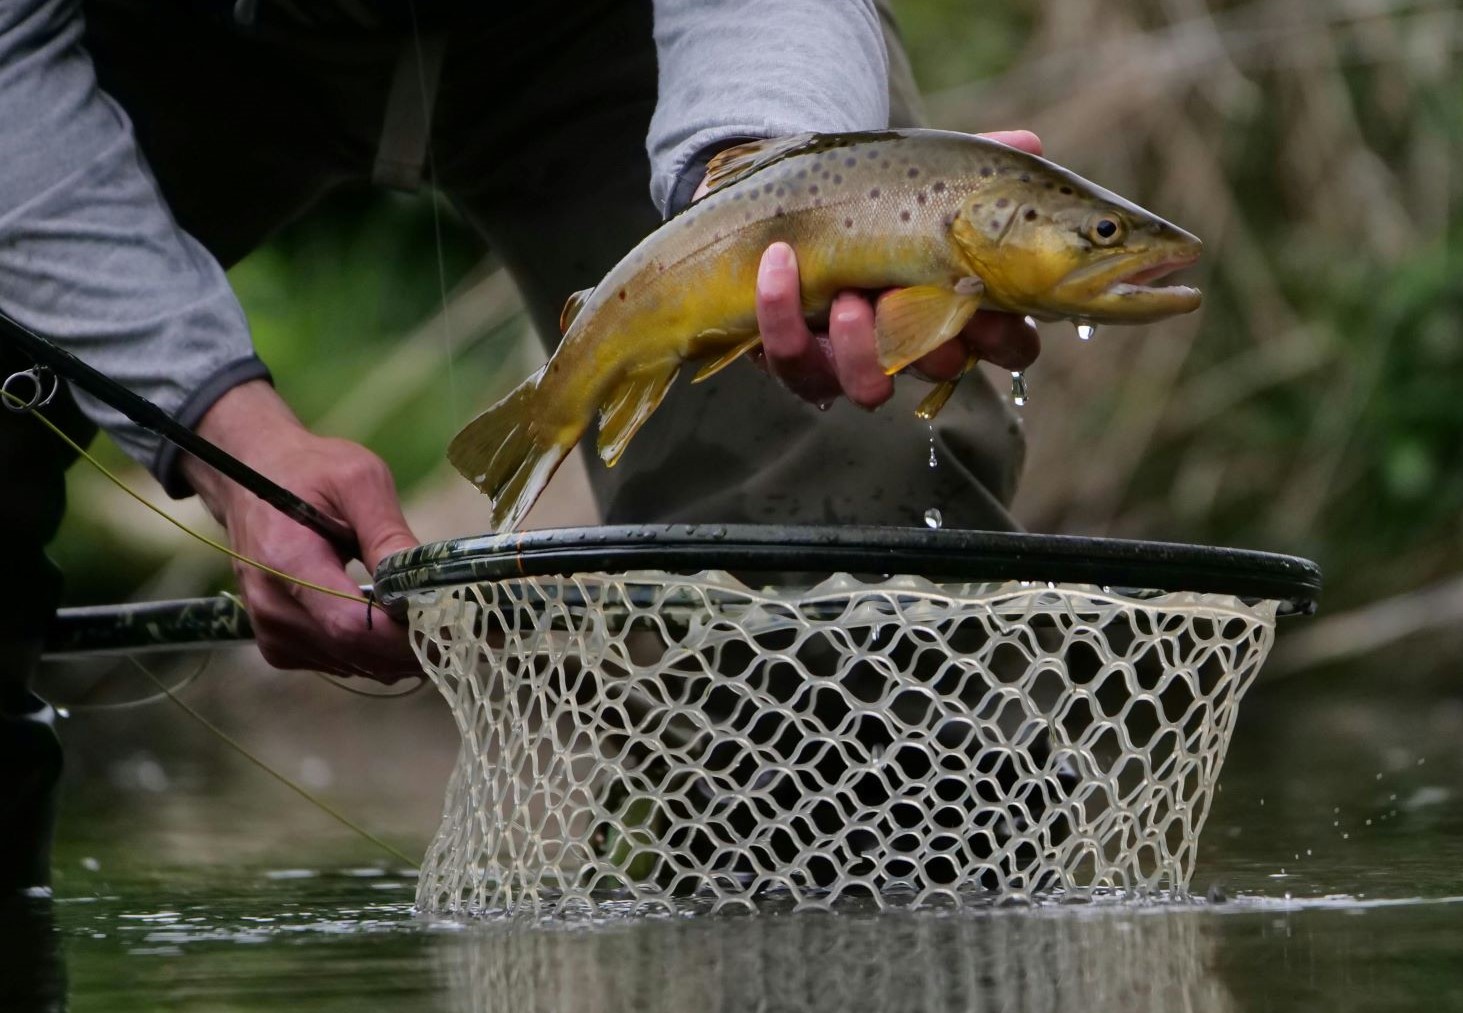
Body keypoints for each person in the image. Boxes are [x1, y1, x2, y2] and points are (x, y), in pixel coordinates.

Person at [0, 0, 1041, 889]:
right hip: (135, 36)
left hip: (604, 28)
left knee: (853, 466)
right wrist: (214, 414)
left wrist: (766, 202)